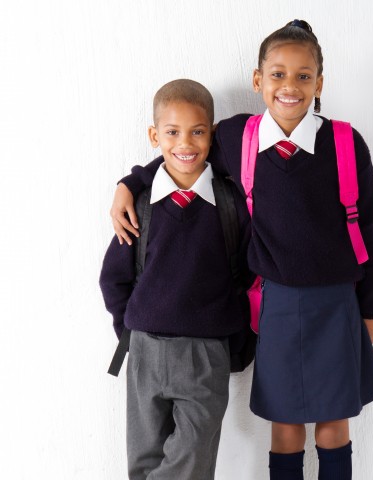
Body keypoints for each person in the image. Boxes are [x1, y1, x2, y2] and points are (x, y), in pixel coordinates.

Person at [110, 20, 373, 480]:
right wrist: (130, 182)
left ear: (320, 82)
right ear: (258, 81)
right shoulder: (240, 137)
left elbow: (367, 231)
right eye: (277, 74)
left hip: (337, 302)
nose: (290, 86)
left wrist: (369, 305)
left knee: (335, 426)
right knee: (286, 428)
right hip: (276, 304)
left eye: (303, 75)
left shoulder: (344, 142)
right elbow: (183, 148)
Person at [99, 79, 251, 480]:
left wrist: (236, 338)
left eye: (198, 131)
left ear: (213, 135)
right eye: (172, 132)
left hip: (206, 354)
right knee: (143, 463)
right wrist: (131, 331)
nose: (186, 143)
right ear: (155, 135)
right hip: (145, 352)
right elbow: (113, 279)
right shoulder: (139, 205)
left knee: (192, 463)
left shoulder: (231, 203)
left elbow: (250, 276)